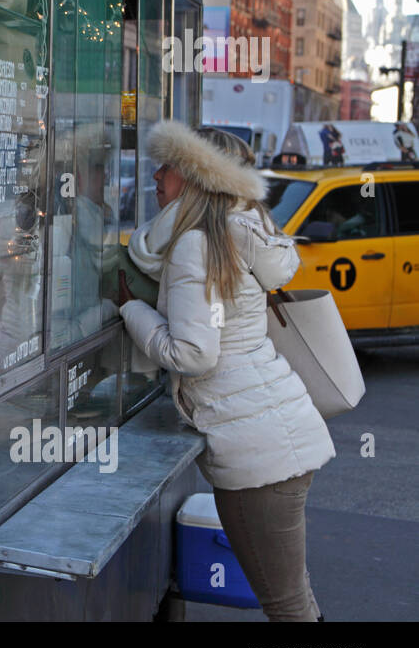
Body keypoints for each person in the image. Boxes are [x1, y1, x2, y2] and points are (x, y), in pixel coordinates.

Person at [117, 121, 335, 621]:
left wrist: (133, 311)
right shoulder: (231, 235)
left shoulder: (198, 243)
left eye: (168, 166)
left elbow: (195, 354)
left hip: (260, 457)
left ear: (194, 176)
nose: (156, 175)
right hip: (272, 442)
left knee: (287, 605)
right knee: (292, 597)